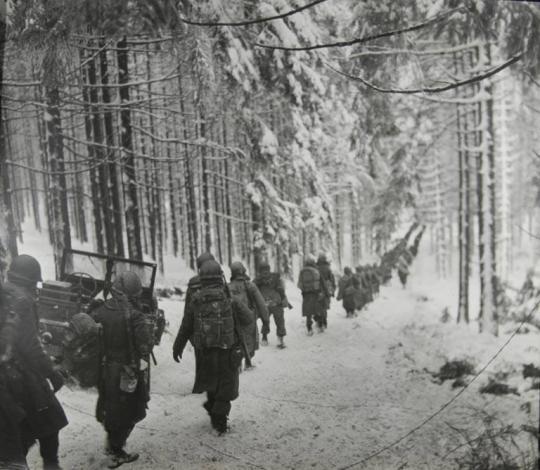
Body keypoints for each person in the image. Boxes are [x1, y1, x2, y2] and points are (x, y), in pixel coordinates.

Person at [1, 255, 67, 470]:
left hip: (6, 377)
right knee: (51, 420)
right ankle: (51, 465)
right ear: (31, 279)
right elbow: (30, 347)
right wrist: (52, 373)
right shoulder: (23, 300)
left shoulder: (4, 291)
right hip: (20, 376)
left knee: (19, 427)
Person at [172, 260, 252, 434]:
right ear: (220, 277)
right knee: (226, 386)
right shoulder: (230, 300)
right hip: (228, 351)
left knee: (211, 383)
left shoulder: (195, 301)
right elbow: (248, 318)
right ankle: (220, 423)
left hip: (205, 352)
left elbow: (186, 326)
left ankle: (211, 405)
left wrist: (177, 346)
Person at [91, 271, 152, 468]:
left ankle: (112, 443)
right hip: (126, 371)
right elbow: (145, 345)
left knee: (111, 406)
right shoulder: (135, 315)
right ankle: (116, 451)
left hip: (105, 369)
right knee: (132, 409)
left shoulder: (100, 310)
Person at [228, 261, 270, 368]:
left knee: (236, 340)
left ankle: (238, 364)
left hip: (233, 319)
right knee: (250, 340)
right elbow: (261, 304)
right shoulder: (249, 285)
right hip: (249, 318)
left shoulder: (227, 287)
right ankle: (247, 361)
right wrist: (266, 320)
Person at [254, 262, 291, 349]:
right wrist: (284, 300)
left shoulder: (257, 280)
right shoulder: (276, 277)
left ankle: (264, 337)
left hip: (264, 303)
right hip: (276, 303)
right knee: (280, 321)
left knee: (265, 320)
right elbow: (281, 290)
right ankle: (280, 340)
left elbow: (253, 292)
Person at [297, 256, 324, 335]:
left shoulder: (302, 271)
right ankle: (320, 326)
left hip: (305, 294)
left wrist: (304, 289)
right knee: (316, 310)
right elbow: (320, 282)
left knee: (308, 312)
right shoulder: (316, 271)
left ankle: (309, 329)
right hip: (315, 293)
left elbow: (299, 284)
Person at [316, 254, 335, 330]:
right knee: (324, 307)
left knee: (318, 307)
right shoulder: (328, 268)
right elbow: (332, 280)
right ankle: (324, 322)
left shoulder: (315, 268)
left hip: (317, 290)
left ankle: (319, 323)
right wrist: (332, 289)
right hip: (326, 290)